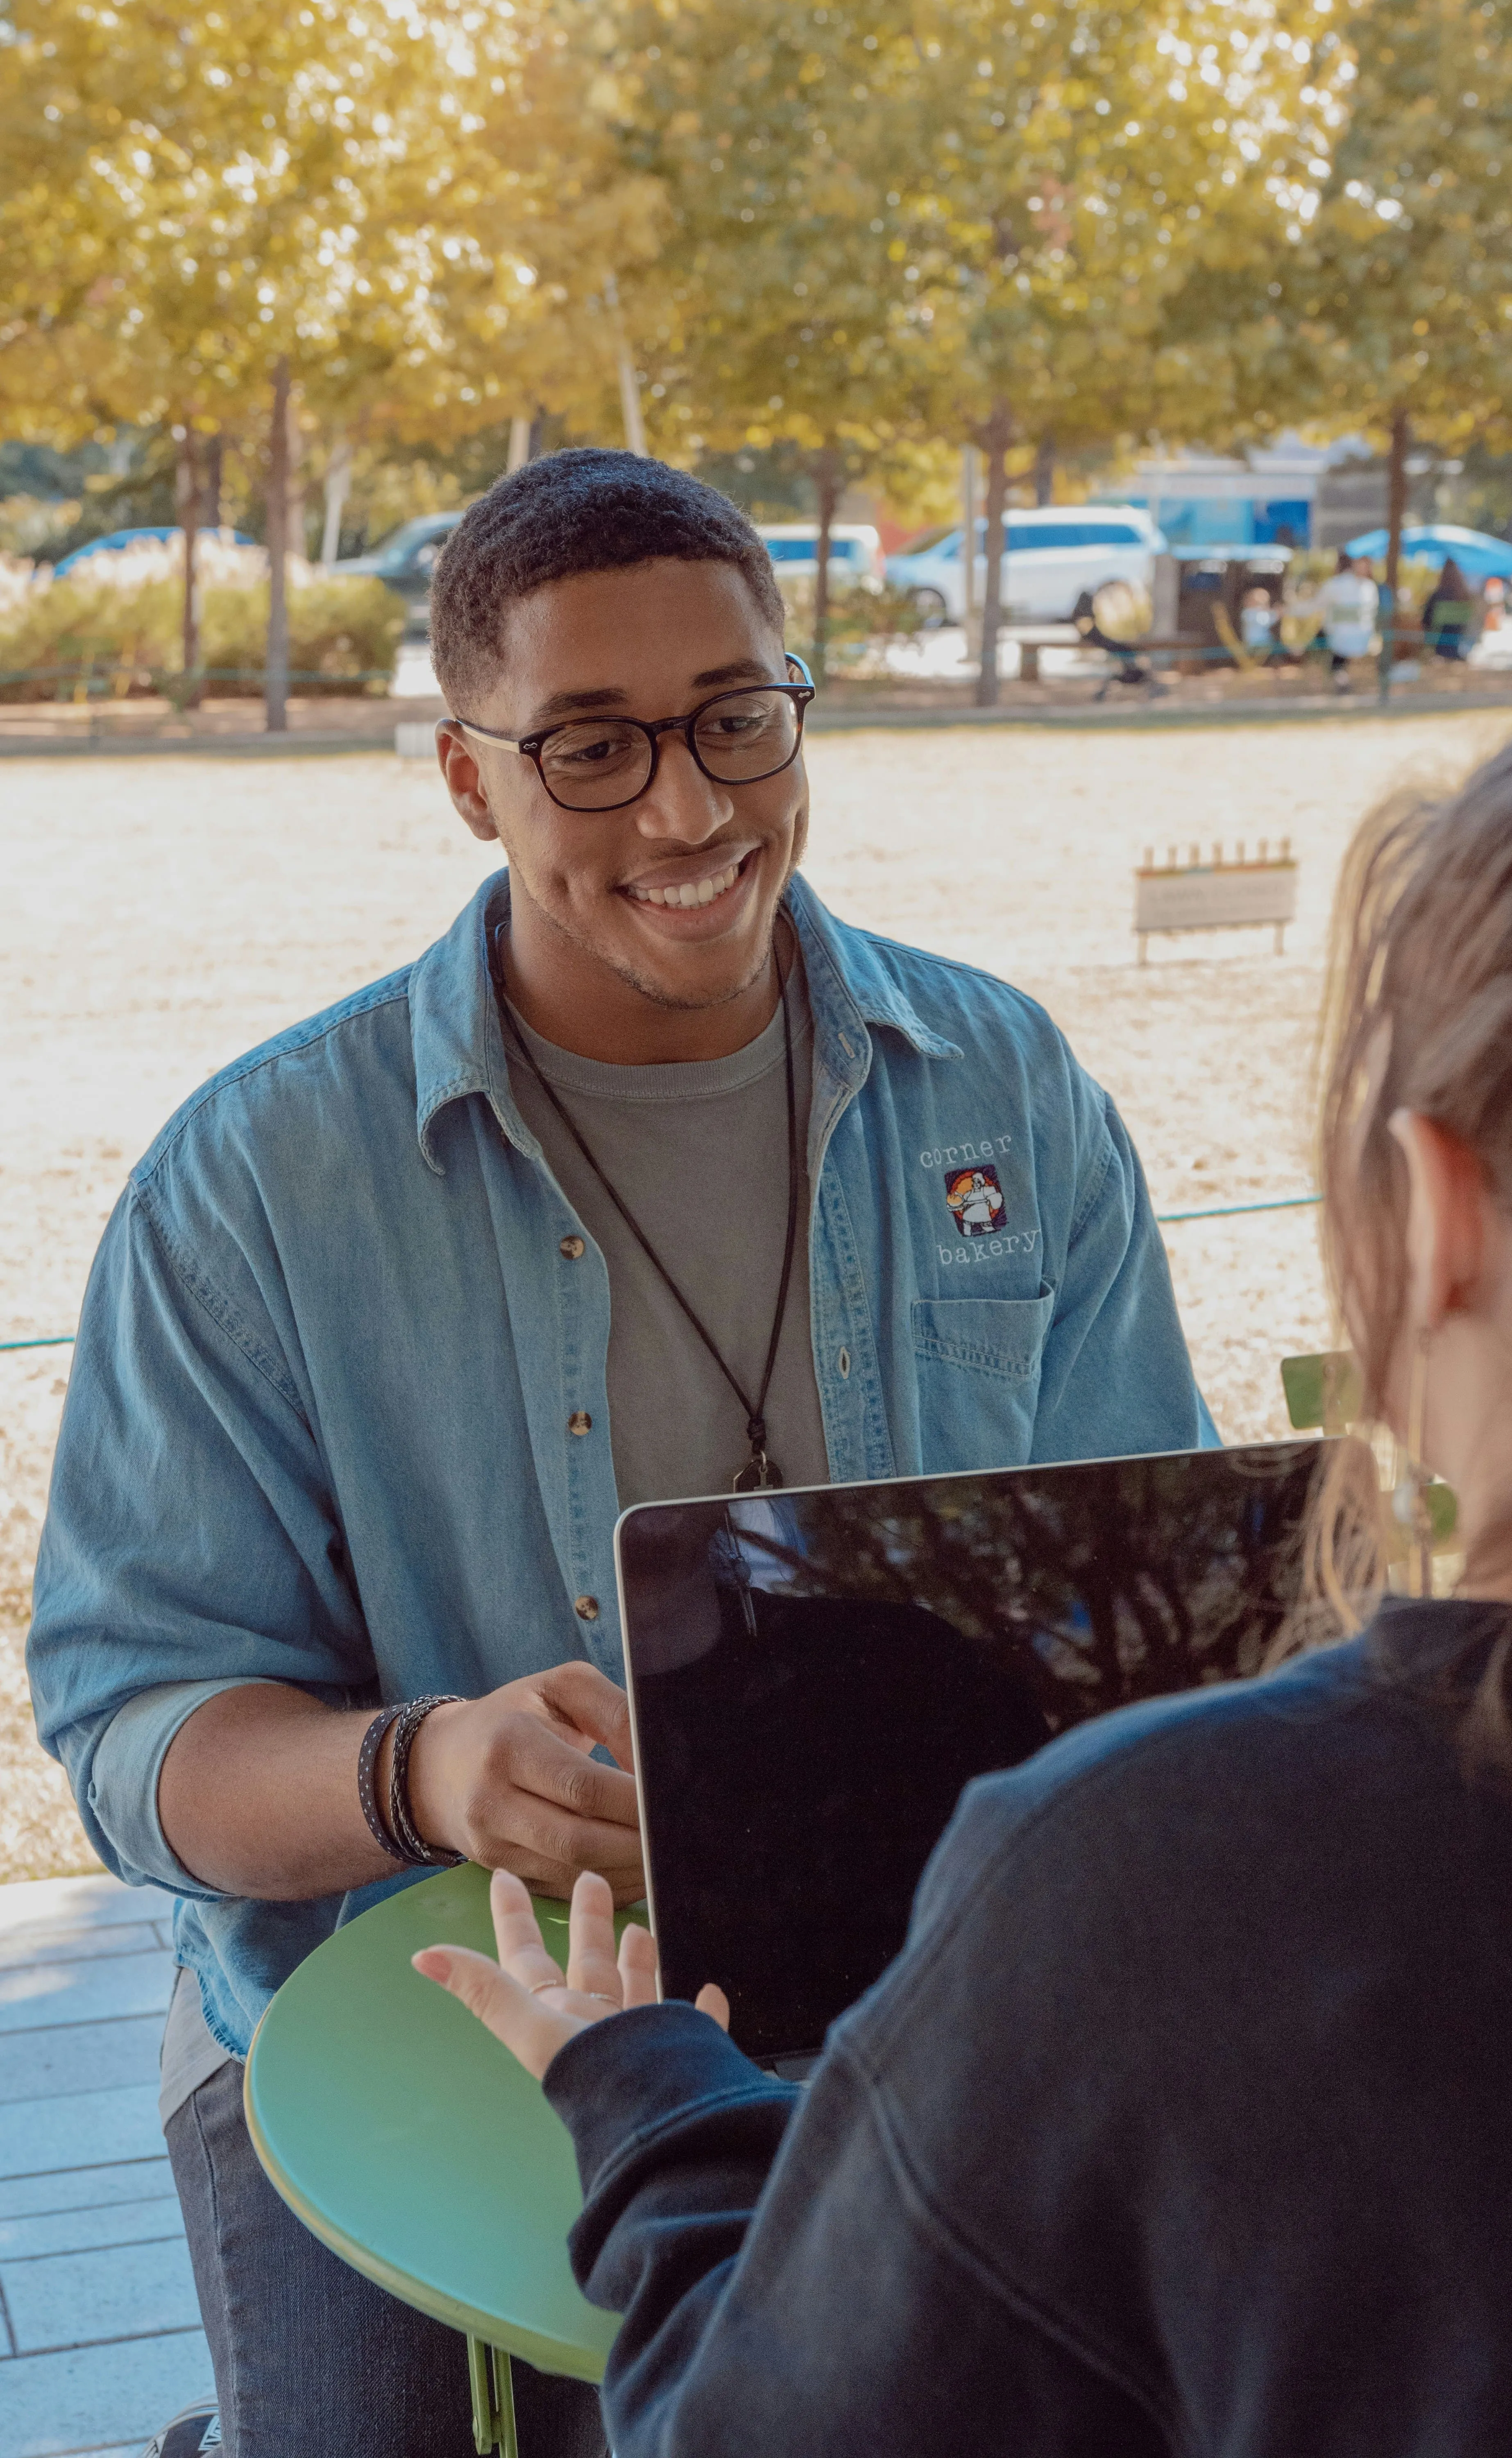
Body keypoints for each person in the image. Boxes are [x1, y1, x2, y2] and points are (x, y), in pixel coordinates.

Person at [27, 449, 1211, 2458]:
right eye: (590, 746)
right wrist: (423, 1771)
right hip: (395, 2019)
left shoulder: (1004, 1084)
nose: (689, 808)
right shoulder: (256, 1182)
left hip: (926, 1974)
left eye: (735, 720)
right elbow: (138, 1740)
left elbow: (1159, 1595)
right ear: (466, 778)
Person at [420, 711, 1512, 2454]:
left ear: (1438, 1215)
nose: (688, 798)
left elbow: (758, 2425)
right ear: (469, 772)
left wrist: (638, 2088)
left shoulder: (1148, 1870)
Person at [1315, 547, 1379, 689]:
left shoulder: (1370, 587)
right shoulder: (1337, 584)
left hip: (1362, 637)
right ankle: (1340, 680)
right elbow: (1319, 605)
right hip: (1338, 637)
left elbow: (1371, 614)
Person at [1422, 556, 1473, 661]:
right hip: (1459, 645)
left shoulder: (1438, 596)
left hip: (1438, 646)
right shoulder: (1465, 596)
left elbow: (1426, 621)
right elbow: (1469, 622)